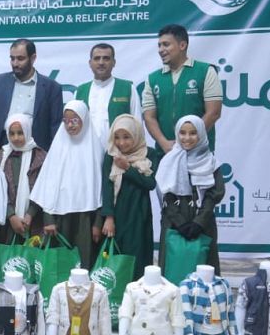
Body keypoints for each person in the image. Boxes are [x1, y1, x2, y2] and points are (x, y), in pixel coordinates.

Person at [31, 101, 104, 270]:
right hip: (58, 220)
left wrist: (98, 223)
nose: (70, 125)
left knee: (83, 267)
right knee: (59, 267)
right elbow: (47, 186)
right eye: (66, 121)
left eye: (75, 120)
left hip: (86, 220)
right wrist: (48, 219)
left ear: (85, 119)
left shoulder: (96, 149)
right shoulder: (58, 147)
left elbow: (101, 191)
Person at [155, 115, 224, 274]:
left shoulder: (211, 162)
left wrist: (198, 223)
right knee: (172, 269)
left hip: (203, 224)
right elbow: (166, 195)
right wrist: (180, 223)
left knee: (204, 271)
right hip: (173, 223)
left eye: (193, 133)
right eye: (182, 133)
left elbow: (214, 194)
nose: (187, 138)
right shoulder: (168, 161)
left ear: (201, 134)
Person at [143, 24, 223, 155]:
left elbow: (213, 112)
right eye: (159, 45)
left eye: (166, 44)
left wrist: (189, 141)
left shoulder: (206, 71)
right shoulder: (152, 79)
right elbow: (149, 117)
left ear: (182, 45)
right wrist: (164, 143)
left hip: (199, 154)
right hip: (166, 153)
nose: (161, 50)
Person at [100, 114, 158, 279]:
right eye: (117, 137)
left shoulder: (149, 154)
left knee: (138, 256)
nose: (121, 143)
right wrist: (109, 217)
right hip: (117, 214)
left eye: (126, 137)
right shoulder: (111, 155)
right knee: (116, 257)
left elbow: (150, 183)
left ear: (136, 135)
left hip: (139, 213)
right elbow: (107, 187)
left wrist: (127, 168)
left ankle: (137, 291)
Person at [0, 39, 63, 153]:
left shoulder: (51, 88)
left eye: (20, 59)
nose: (15, 63)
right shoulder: (0, 81)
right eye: (12, 58)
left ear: (33, 58)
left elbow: (55, 128)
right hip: (1, 146)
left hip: (34, 149)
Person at [75, 43, 141, 148]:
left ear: (114, 62)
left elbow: (138, 126)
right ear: (90, 63)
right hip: (87, 152)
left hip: (119, 153)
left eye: (106, 58)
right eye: (97, 58)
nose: (101, 62)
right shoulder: (80, 92)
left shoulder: (128, 88)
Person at [0, 113, 47, 244]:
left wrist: (30, 214)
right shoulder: (2, 155)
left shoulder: (40, 155)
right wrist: (11, 215)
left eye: (20, 133)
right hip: (7, 221)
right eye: (12, 134)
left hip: (35, 219)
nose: (16, 138)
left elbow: (43, 188)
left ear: (27, 131)